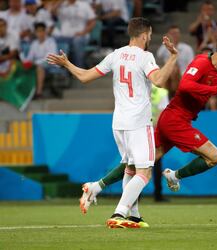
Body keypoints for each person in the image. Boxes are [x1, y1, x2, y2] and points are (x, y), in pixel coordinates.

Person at [81, 34, 217, 210]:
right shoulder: (201, 62)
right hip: (175, 120)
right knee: (215, 156)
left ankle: (96, 186)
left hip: (175, 120)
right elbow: (185, 85)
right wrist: (214, 88)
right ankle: (174, 176)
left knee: (140, 163)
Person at [47, 17, 178, 229]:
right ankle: (120, 213)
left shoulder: (115, 55)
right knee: (144, 172)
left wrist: (67, 63)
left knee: (130, 169)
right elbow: (160, 81)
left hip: (119, 123)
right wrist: (173, 57)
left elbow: (85, 76)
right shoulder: (145, 57)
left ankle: (133, 215)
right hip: (138, 122)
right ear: (145, 35)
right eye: (150, 35)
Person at [23, 22, 57, 99]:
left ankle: (39, 92)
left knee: (39, 67)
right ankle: (27, 93)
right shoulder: (34, 43)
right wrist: (25, 62)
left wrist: (35, 63)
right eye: (38, 31)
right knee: (23, 67)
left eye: (42, 31)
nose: (40, 33)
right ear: (35, 33)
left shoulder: (51, 42)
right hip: (37, 64)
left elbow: (50, 58)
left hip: (50, 65)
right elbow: (30, 57)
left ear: (45, 31)